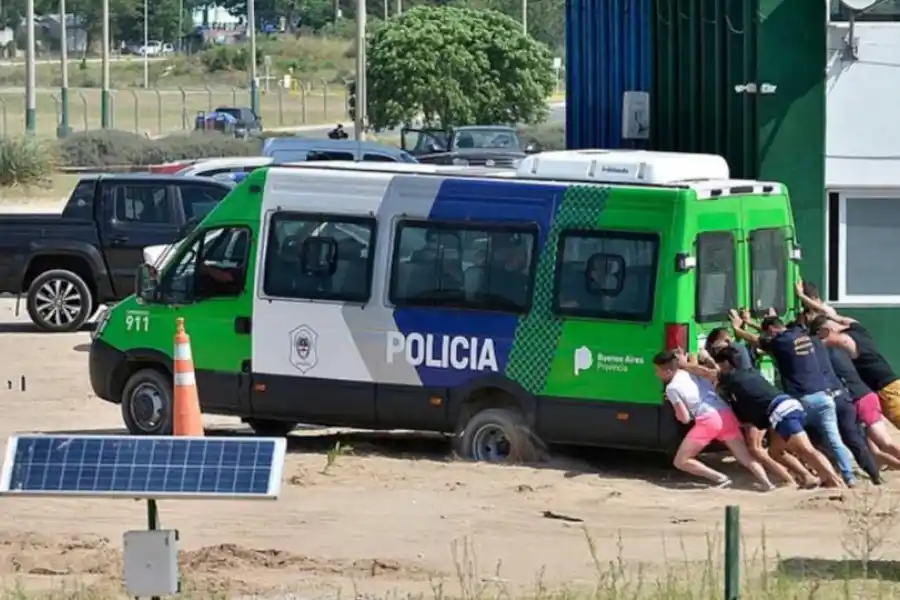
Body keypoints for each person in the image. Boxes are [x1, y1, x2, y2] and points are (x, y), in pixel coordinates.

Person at [730, 312, 858, 487]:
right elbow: (771, 332)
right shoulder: (799, 333)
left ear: (773, 331)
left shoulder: (780, 342)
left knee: (803, 447)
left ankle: (826, 478)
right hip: (824, 396)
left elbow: (756, 340)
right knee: (833, 441)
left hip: (802, 400)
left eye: (768, 333)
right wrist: (750, 321)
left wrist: (738, 328)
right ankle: (848, 476)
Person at [701, 346, 843, 488]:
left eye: (720, 364)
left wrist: (685, 364)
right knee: (775, 451)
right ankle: (808, 477)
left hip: (781, 412)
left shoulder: (732, 376)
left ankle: (835, 481)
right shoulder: (748, 372)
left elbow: (707, 373)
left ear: (726, 363)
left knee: (806, 450)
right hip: (785, 408)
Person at [652, 350, 775, 490]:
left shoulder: (672, 388)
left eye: (657, 371)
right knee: (745, 457)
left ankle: (720, 478)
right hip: (725, 413)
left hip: (707, 420)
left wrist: (676, 410)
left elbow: (684, 419)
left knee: (681, 461)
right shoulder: (692, 372)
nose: (656, 374)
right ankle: (767, 483)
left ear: (667, 371)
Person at [797, 281, 900, 430]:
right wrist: (805, 299)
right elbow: (831, 313)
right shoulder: (857, 328)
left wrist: (802, 297)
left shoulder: (843, 340)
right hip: (894, 384)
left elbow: (821, 337)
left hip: (886, 390)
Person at [811, 315, 900, 470]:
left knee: (884, 442)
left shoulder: (836, 344)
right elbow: (835, 316)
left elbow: (821, 342)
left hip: (871, 394)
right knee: (874, 446)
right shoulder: (858, 331)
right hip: (877, 391)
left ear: (826, 331)